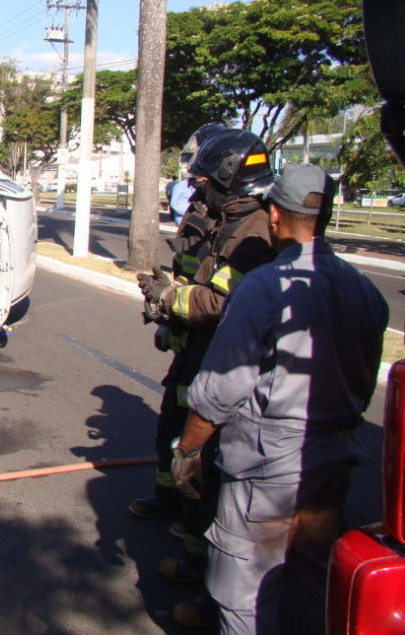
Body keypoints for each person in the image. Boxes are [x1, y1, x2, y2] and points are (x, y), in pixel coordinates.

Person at [172, 164, 389, 634]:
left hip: (266, 472)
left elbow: (220, 392)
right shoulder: (366, 291)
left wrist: (188, 449)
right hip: (331, 465)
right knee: (310, 581)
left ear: (274, 215)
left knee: (243, 595)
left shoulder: (264, 288)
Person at [132, 129, 277, 628]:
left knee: (202, 466)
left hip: (221, 363)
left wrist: (169, 297)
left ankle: (202, 567)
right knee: (174, 434)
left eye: (205, 182)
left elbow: (217, 303)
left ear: (229, 180)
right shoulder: (228, 220)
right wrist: (171, 319)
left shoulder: (254, 234)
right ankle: (185, 529)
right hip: (197, 353)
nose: (198, 191)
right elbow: (198, 277)